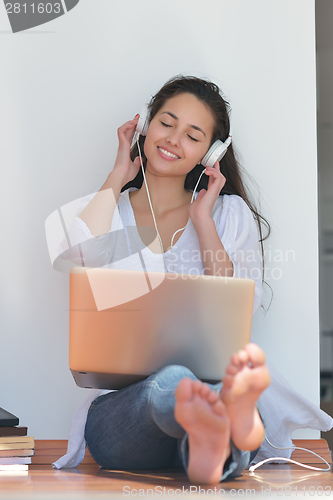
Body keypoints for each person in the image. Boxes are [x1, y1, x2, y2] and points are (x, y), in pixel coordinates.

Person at [52, 76, 331, 482]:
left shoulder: (228, 216)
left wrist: (203, 221)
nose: (173, 139)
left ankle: (210, 450)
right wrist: (117, 175)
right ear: (145, 124)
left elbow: (239, 313)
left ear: (212, 153)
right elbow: (73, 257)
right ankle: (222, 420)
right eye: (167, 123)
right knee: (172, 384)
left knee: (203, 393)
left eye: (193, 135)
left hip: (209, 391)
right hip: (126, 417)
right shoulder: (110, 213)